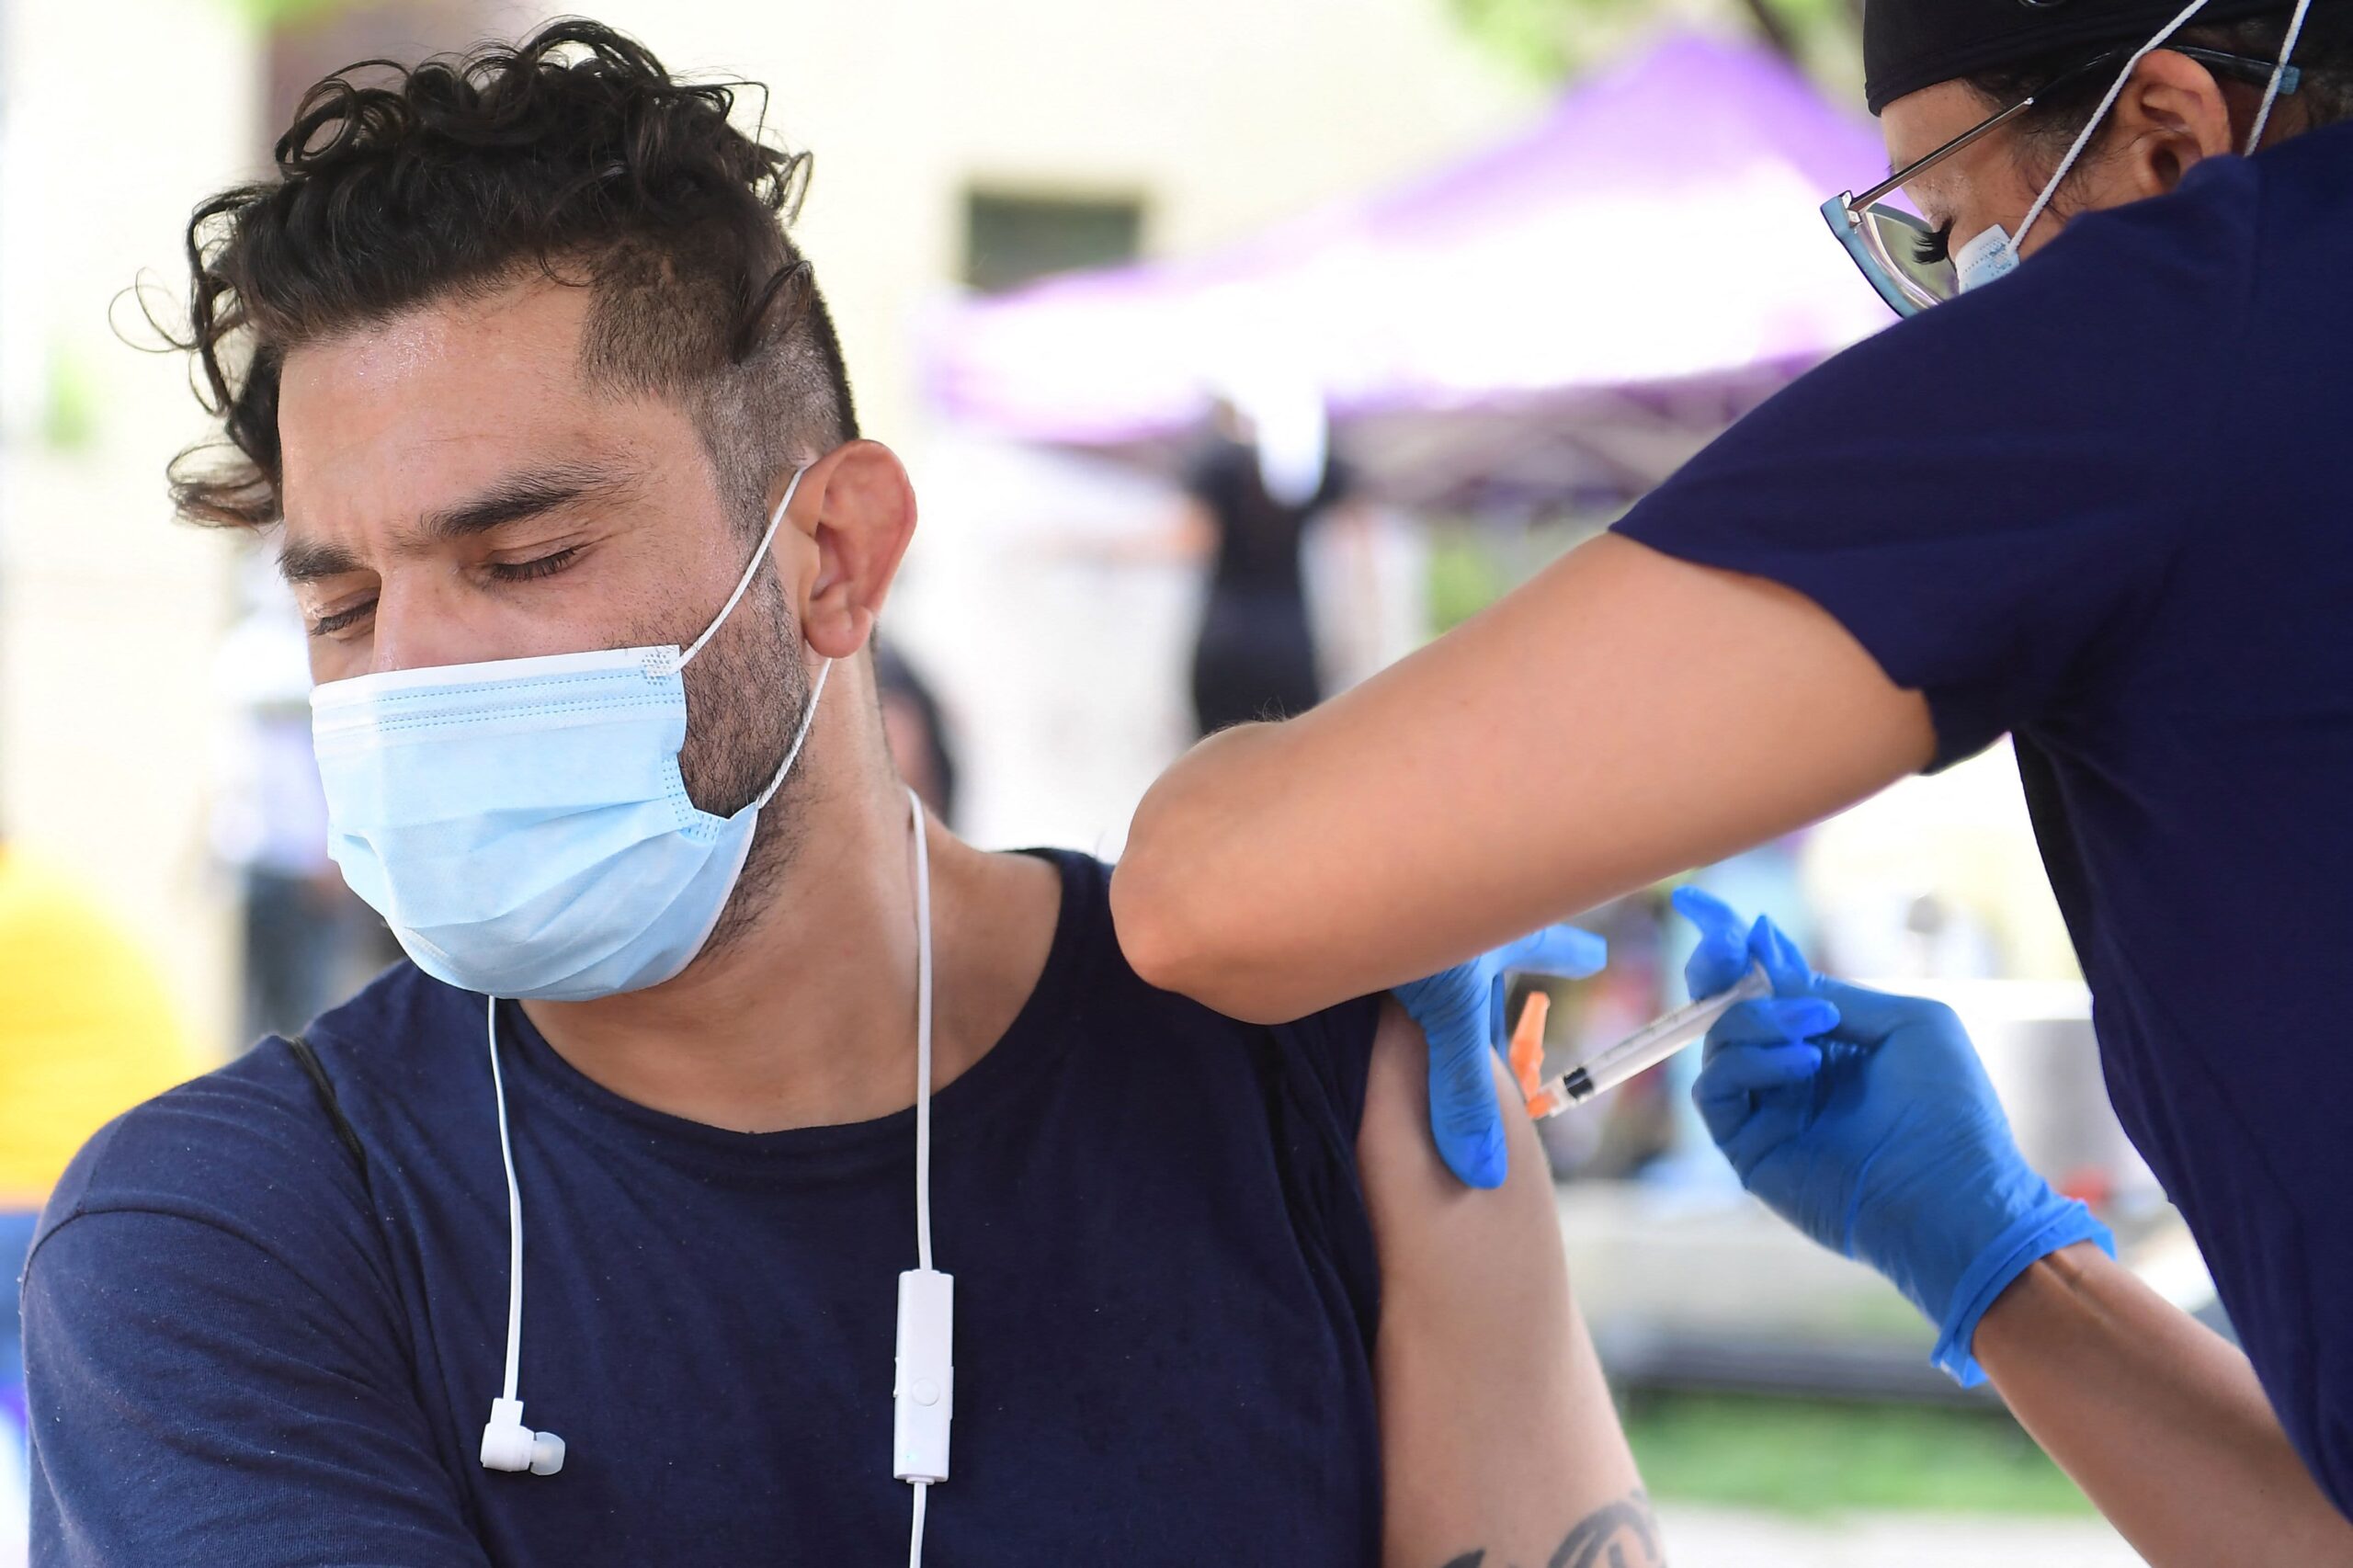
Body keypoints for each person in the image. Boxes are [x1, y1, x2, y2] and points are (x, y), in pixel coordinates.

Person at [19, 26, 1652, 1566]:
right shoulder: (224, 1242)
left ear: (835, 558)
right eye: (343, 606)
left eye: (522, 558)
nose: (417, 676)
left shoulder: (1322, 1080)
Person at [1112, 0, 2353, 1561]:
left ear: (2169, 133)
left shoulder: (2185, 320)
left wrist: (1406, 853)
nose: (1948, 305)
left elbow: (1207, 892)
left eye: (1951, 222)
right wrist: (1999, 1259)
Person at [1181, 392, 1353, 734]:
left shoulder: (1216, 464)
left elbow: (1191, 540)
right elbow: (1354, 556)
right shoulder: (1321, 466)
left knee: (1218, 760)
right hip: (1292, 637)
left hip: (1226, 637)